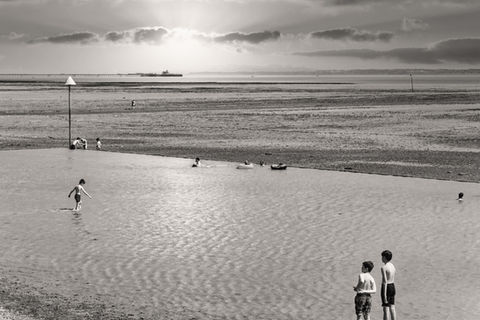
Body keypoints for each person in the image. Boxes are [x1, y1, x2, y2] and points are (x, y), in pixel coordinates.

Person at [381, 250, 396, 320]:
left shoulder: (384, 267)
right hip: (393, 286)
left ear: (384, 257)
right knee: (392, 308)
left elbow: (385, 281)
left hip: (387, 287)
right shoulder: (392, 265)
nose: (381, 258)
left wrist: (384, 295)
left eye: (382, 257)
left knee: (386, 309)